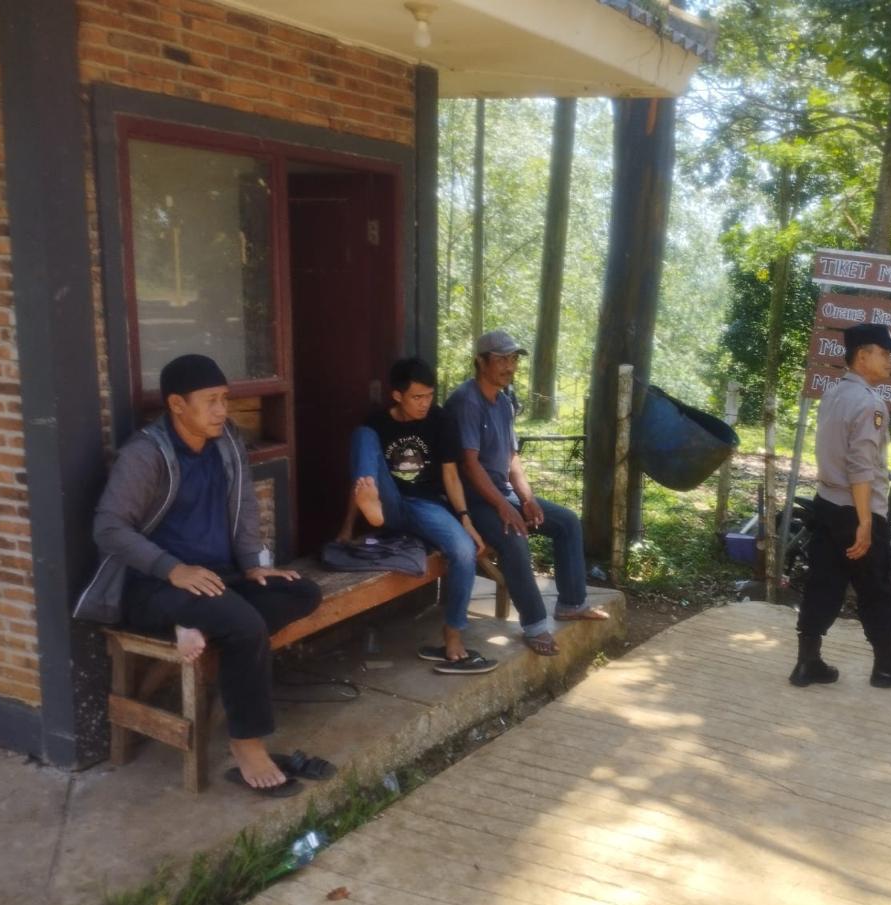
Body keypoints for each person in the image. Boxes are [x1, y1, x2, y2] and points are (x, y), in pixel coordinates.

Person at [75, 354, 327, 797]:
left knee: (302, 592)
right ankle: (246, 745)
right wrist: (172, 569)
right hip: (151, 587)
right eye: (210, 401)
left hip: (218, 579)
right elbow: (109, 529)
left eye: (224, 399)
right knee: (245, 625)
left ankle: (201, 624)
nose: (221, 410)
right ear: (177, 404)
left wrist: (254, 564)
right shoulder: (146, 454)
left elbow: (245, 505)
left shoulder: (226, 442)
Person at [445, 330, 607, 656]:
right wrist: (504, 506)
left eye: (513, 359)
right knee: (515, 536)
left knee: (566, 522)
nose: (510, 366)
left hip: (501, 492)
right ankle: (534, 625)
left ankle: (572, 603)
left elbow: (512, 458)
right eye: (501, 360)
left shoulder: (504, 402)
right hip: (471, 500)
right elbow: (470, 466)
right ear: (481, 362)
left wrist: (526, 498)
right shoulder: (466, 401)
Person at [792, 324, 891, 690]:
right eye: (884, 353)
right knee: (877, 588)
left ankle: (808, 662)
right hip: (857, 510)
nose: (890, 360)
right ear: (862, 356)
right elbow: (860, 467)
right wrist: (865, 521)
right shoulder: (870, 403)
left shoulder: (833, 394)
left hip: (827, 504)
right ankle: (887, 665)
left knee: (823, 581)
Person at [345, 357, 496, 675]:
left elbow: (451, 475)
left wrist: (465, 518)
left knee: (464, 551)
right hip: (386, 501)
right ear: (397, 395)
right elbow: (361, 486)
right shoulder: (378, 423)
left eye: (429, 395)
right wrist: (346, 530)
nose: (425, 403)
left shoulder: (440, 420)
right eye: (417, 397)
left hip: (425, 505)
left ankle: (453, 634)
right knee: (363, 436)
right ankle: (374, 513)